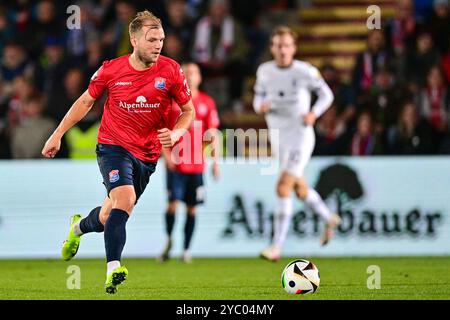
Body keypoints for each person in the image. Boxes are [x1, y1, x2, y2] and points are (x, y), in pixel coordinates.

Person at [41, 10, 195, 294]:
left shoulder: (172, 70)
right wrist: (57, 134)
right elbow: (86, 101)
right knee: (125, 198)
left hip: (147, 156)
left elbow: (188, 111)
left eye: (161, 39)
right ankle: (114, 268)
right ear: (134, 40)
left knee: (109, 214)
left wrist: (175, 133)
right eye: (152, 39)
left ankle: (77, 228)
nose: (158, 44)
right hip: (113, 146)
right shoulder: (111, 69)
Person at [253, 26, 341, 262]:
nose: (282, 50)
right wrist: (259, 105)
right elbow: (257, 98)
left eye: (286, 45)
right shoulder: (265, 71)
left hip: (301, 136)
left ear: (294, 48)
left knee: (282, 187)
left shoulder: (305, 71)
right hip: (279, 138)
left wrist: (314, 113)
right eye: (278, 45)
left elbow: (327, 95)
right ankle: (328, 218)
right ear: (272, 48)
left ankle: (276, 247)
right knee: (299, 189)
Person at [159, 62, 220, 263]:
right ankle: (168, 240)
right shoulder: (171, 102)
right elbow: (160, 130)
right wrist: (166, 155)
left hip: (196, 165)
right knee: (172, 205)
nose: (191, 76)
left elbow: (213, 134)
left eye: (194, 73)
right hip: (175, 163)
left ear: (200, 77)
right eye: (187, 73)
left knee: (192, 208)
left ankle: (186, 250)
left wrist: (216, 161)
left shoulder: (207, 102)